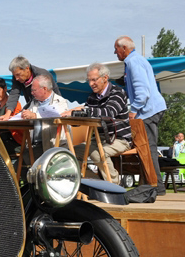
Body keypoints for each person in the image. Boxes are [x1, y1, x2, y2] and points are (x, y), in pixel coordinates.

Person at [61, 63, 132, 185]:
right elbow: (85, 118)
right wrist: (72, 117)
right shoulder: (92, 97)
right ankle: (95, 183)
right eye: (89, 80)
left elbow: (109, 113)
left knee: (98, 152)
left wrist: (83, 110)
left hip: (119, 139)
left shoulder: (118, 93)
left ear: (105, 78)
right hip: (97, 140)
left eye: (94, 80)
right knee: (69, 154)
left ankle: (115, 186)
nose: (90, 84)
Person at [115, 35, 167, 194]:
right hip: (151, 109)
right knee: (148, 149)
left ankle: (155, 187)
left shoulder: (133, 62)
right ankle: (152, 185)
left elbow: (142, 91)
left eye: (116, 49)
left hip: (147, 111)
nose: (115, 53)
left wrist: (133, 111)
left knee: (147, 150)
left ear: (124, 48)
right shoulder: (137, 60)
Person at [0, 56, 60, 120]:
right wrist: (7, 114)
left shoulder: (42, 75)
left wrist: (22, 113)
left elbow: (37, 99)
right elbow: (14, 94)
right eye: (14, 75)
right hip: (34, 109)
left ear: (27, 68)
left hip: (51, 109)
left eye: (18, 74)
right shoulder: (17, 78)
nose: (16, 78)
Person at [21, 74, 69, 156]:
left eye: (34, 90)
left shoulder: (60, 102)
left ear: (44, 89)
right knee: (21, 160)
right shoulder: (34, 102)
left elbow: (57, 117)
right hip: (33, 146)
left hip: (54, 146)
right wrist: (23, 115)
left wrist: (35, 116)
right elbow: (28, 116)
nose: (32, 93)